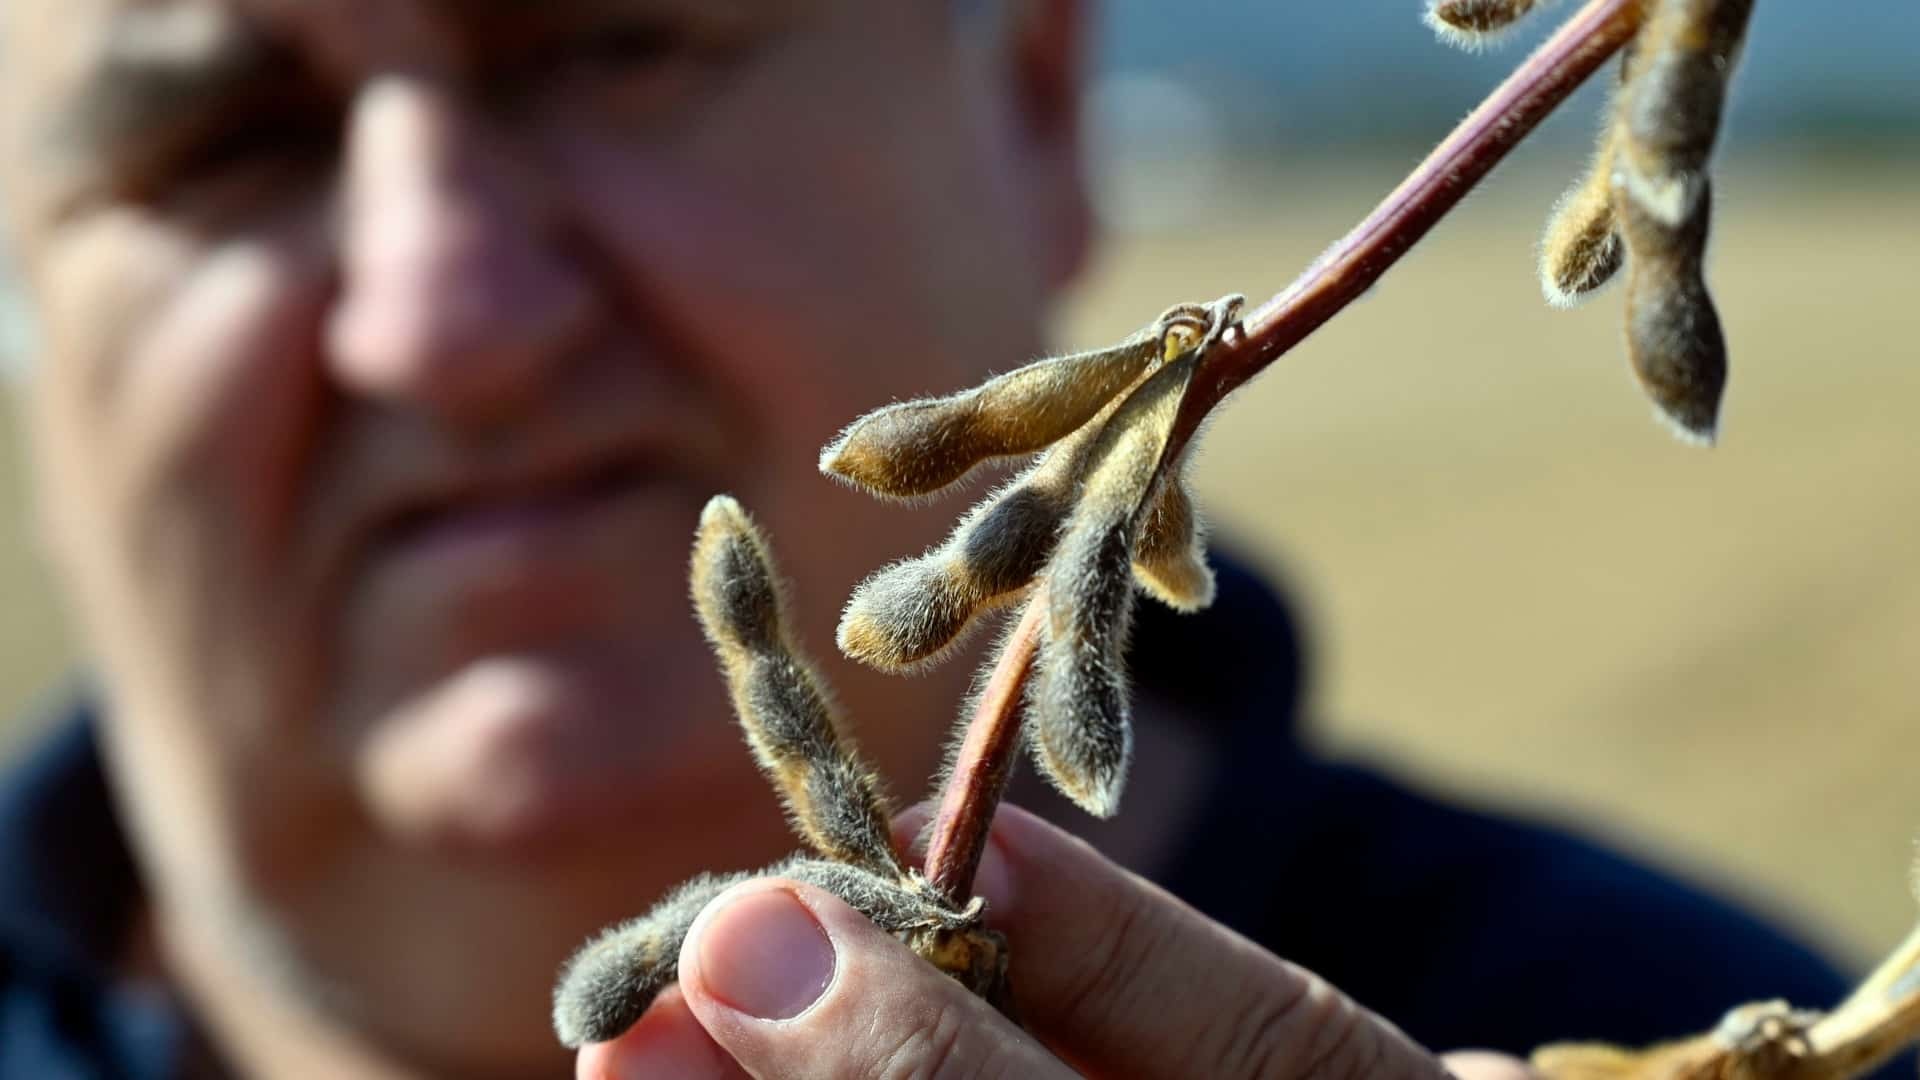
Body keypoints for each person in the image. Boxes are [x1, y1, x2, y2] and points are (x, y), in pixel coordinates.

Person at [0, 0, 1862, 1077]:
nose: (445, 315)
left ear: (1044, 102)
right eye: (217, 151)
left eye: (617, 39)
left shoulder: (1694, 1034)